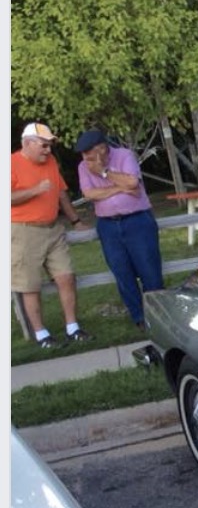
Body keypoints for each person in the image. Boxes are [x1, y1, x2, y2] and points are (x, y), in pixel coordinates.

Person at [11, 122, 93, 349]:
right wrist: (35, 190)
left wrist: (75, 221)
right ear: (28, 143)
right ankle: (41, 335)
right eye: (44, 145)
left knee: (66, 277)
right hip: (23, 230)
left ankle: (73, 328)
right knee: (30, 285)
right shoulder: (10, 163)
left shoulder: (51, 162)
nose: (48, 150)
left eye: (49, 146)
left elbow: (61, 193)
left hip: (53, 228)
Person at [75, 129, 164, 329]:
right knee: (122, 272)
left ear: (101, 148)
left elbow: (132, 182)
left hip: (137, 220)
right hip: (107, 225)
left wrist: (104, 172)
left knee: (149, 269)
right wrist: (120, 187)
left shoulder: (124, 156)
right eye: (83, 154)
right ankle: (139, 317)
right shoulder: (83, 166)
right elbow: (89, 194)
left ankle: (157, 314)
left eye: (88, 152)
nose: (86, 158)